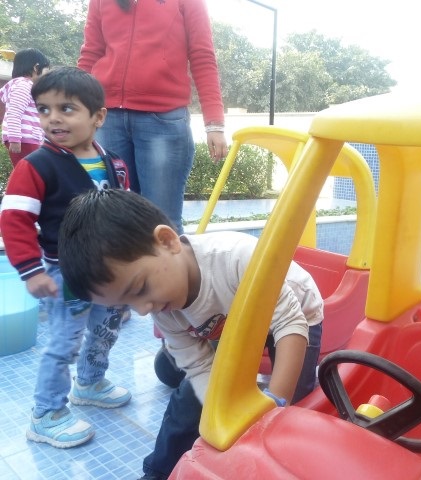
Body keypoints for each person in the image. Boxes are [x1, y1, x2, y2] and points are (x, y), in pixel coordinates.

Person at [58, 189, 324, 480]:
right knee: (187, 401)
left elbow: (289, 323)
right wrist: (220, 409)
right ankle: (158, 473)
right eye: (127, 304)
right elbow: (197, 365)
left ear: (167, 241)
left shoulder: (235, 259)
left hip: (296, 315)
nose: (143, 310)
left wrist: (276, 404)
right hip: (235, 324)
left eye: (140, 288)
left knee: (294, 399)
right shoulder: (162, 306)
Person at [0, 67, 132, 448]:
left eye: (66, 109)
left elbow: (125, 211)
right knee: (64, 343)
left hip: (109, 271)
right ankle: (46, 413)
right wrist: (31, 271)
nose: (53, 119)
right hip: (67, 271)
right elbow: (14, 219)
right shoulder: (36, 166)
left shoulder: (114, 163)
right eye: (44, 109)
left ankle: (89, 382)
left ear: (98, 116)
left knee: (106, 329)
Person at [77, 0, 229, 235]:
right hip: (108, 118)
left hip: (163, 120)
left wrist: (214, 123)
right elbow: (91, 52)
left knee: (162, 220)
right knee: (114, 220)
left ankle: (170, 261)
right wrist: (75, 107)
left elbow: (202, 56)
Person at [0, 48, 50, 167]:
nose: (47, 76)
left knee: (29, 170)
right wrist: (15, 139)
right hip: (24, 139)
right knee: (31, 170)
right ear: (36, 67)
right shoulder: (24, 85)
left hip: (27, 138)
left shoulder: (23, 85)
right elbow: (14, 112)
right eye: (46, 71)